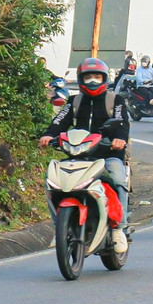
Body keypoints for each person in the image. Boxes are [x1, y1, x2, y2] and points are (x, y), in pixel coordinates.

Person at [39, 57, 130, 253]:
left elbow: (122, 122)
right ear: (81, 79)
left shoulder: (115, 100)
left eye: (97, 76)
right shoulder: (74, 101)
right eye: (88, 77)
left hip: (108, 154)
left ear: (105, 78)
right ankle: (60, 227)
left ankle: (118, 230)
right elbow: (60, 121)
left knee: (117, 179)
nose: (93, 81)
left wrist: (119, 139)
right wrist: (48, 135)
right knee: (53, 183)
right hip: (78, 154)